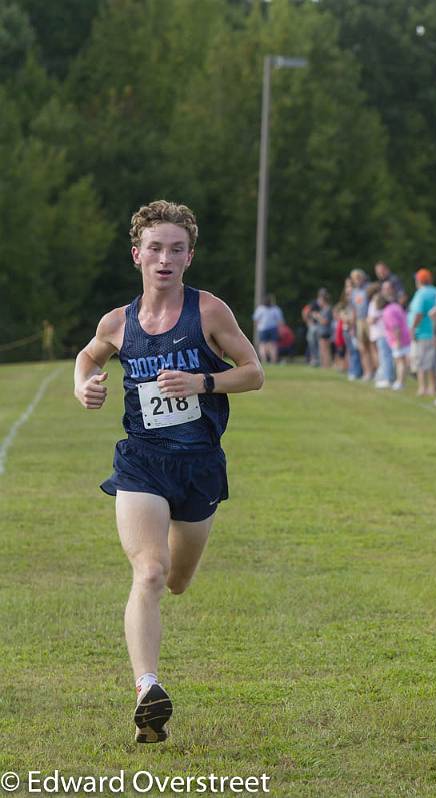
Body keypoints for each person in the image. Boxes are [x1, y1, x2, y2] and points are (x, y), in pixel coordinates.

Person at [72, 200, 264, 743]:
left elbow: (253, 374)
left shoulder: (209, 313)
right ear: (137, 254)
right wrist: (82, 383)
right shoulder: (117, 322)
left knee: (178, 580)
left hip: (199, 466)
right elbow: (88, 357)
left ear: (189, 256)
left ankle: (152, 671)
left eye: (176, 249)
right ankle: (148, 690)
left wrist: (203, 383)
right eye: (154, 248)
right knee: (150, 573)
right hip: (142, 464)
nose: (164, 258)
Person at [408, 268, 436, 397]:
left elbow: (419, 313)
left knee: (421, 362)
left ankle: (423, 387)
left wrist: (413, 329)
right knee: (431, 362)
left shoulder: (421, 294)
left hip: (422, 332)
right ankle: (432, 387)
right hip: (434, 331)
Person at [251, 294, 284, 364]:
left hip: (263, 328)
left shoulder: (260, 309)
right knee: (273, 345)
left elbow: (256, 320)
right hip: (272, 328)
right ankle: (273, 360)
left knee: (263, 345)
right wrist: (281, 329)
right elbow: (280, 321)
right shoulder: (275, 309)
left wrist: (257, 328)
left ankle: (264, 360)